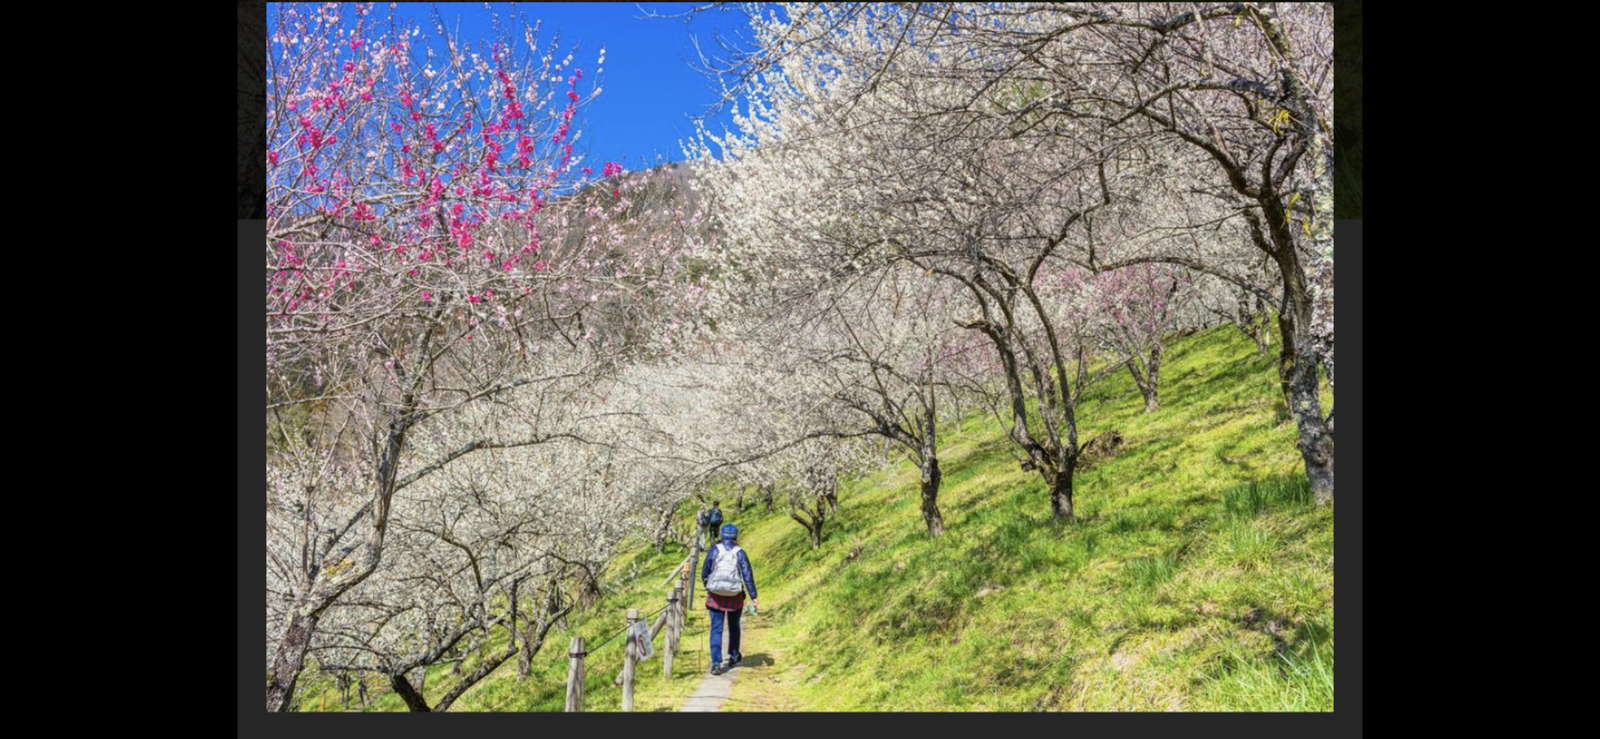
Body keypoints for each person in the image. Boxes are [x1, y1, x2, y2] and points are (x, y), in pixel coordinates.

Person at [702, 523, 757, 675]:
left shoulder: (714, 550)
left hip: (715, 596)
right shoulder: (740, 553)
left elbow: (705, 571)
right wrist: (753, 596)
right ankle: (733, 656)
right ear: (735, 536)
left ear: (722, 535)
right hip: (734, 596)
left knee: (716, 629)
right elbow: (747, 576)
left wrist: (709, 586)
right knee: (734, 626)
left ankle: (716, 663)